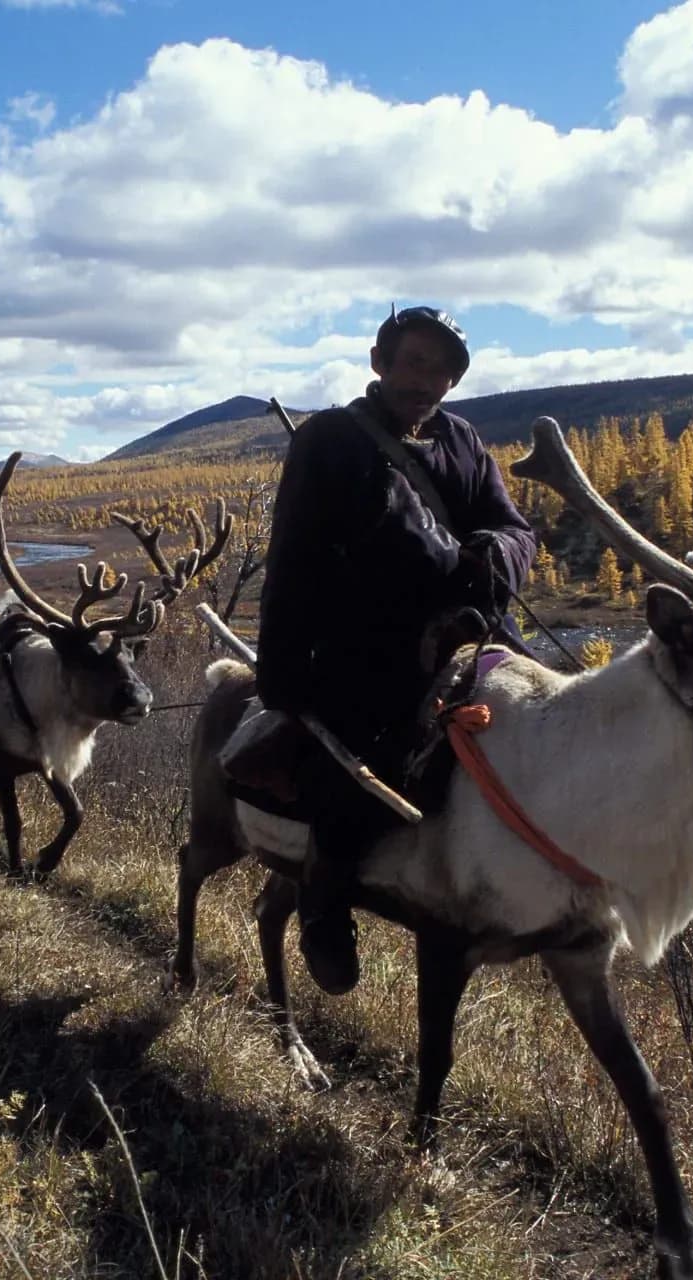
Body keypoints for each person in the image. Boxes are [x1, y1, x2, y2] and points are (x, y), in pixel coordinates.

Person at [254, 306, 537, 995]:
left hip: (469, 634)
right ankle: (326, 903)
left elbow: (513, 526)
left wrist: (495, 551)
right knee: (355, 763)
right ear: (379, 362)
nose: (429, 381)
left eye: (442, 370)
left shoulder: (463, 440)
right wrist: (281, 676)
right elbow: (291, 558)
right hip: (365, 641)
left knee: (545, 718)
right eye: (415, 362)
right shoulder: (330, 441)